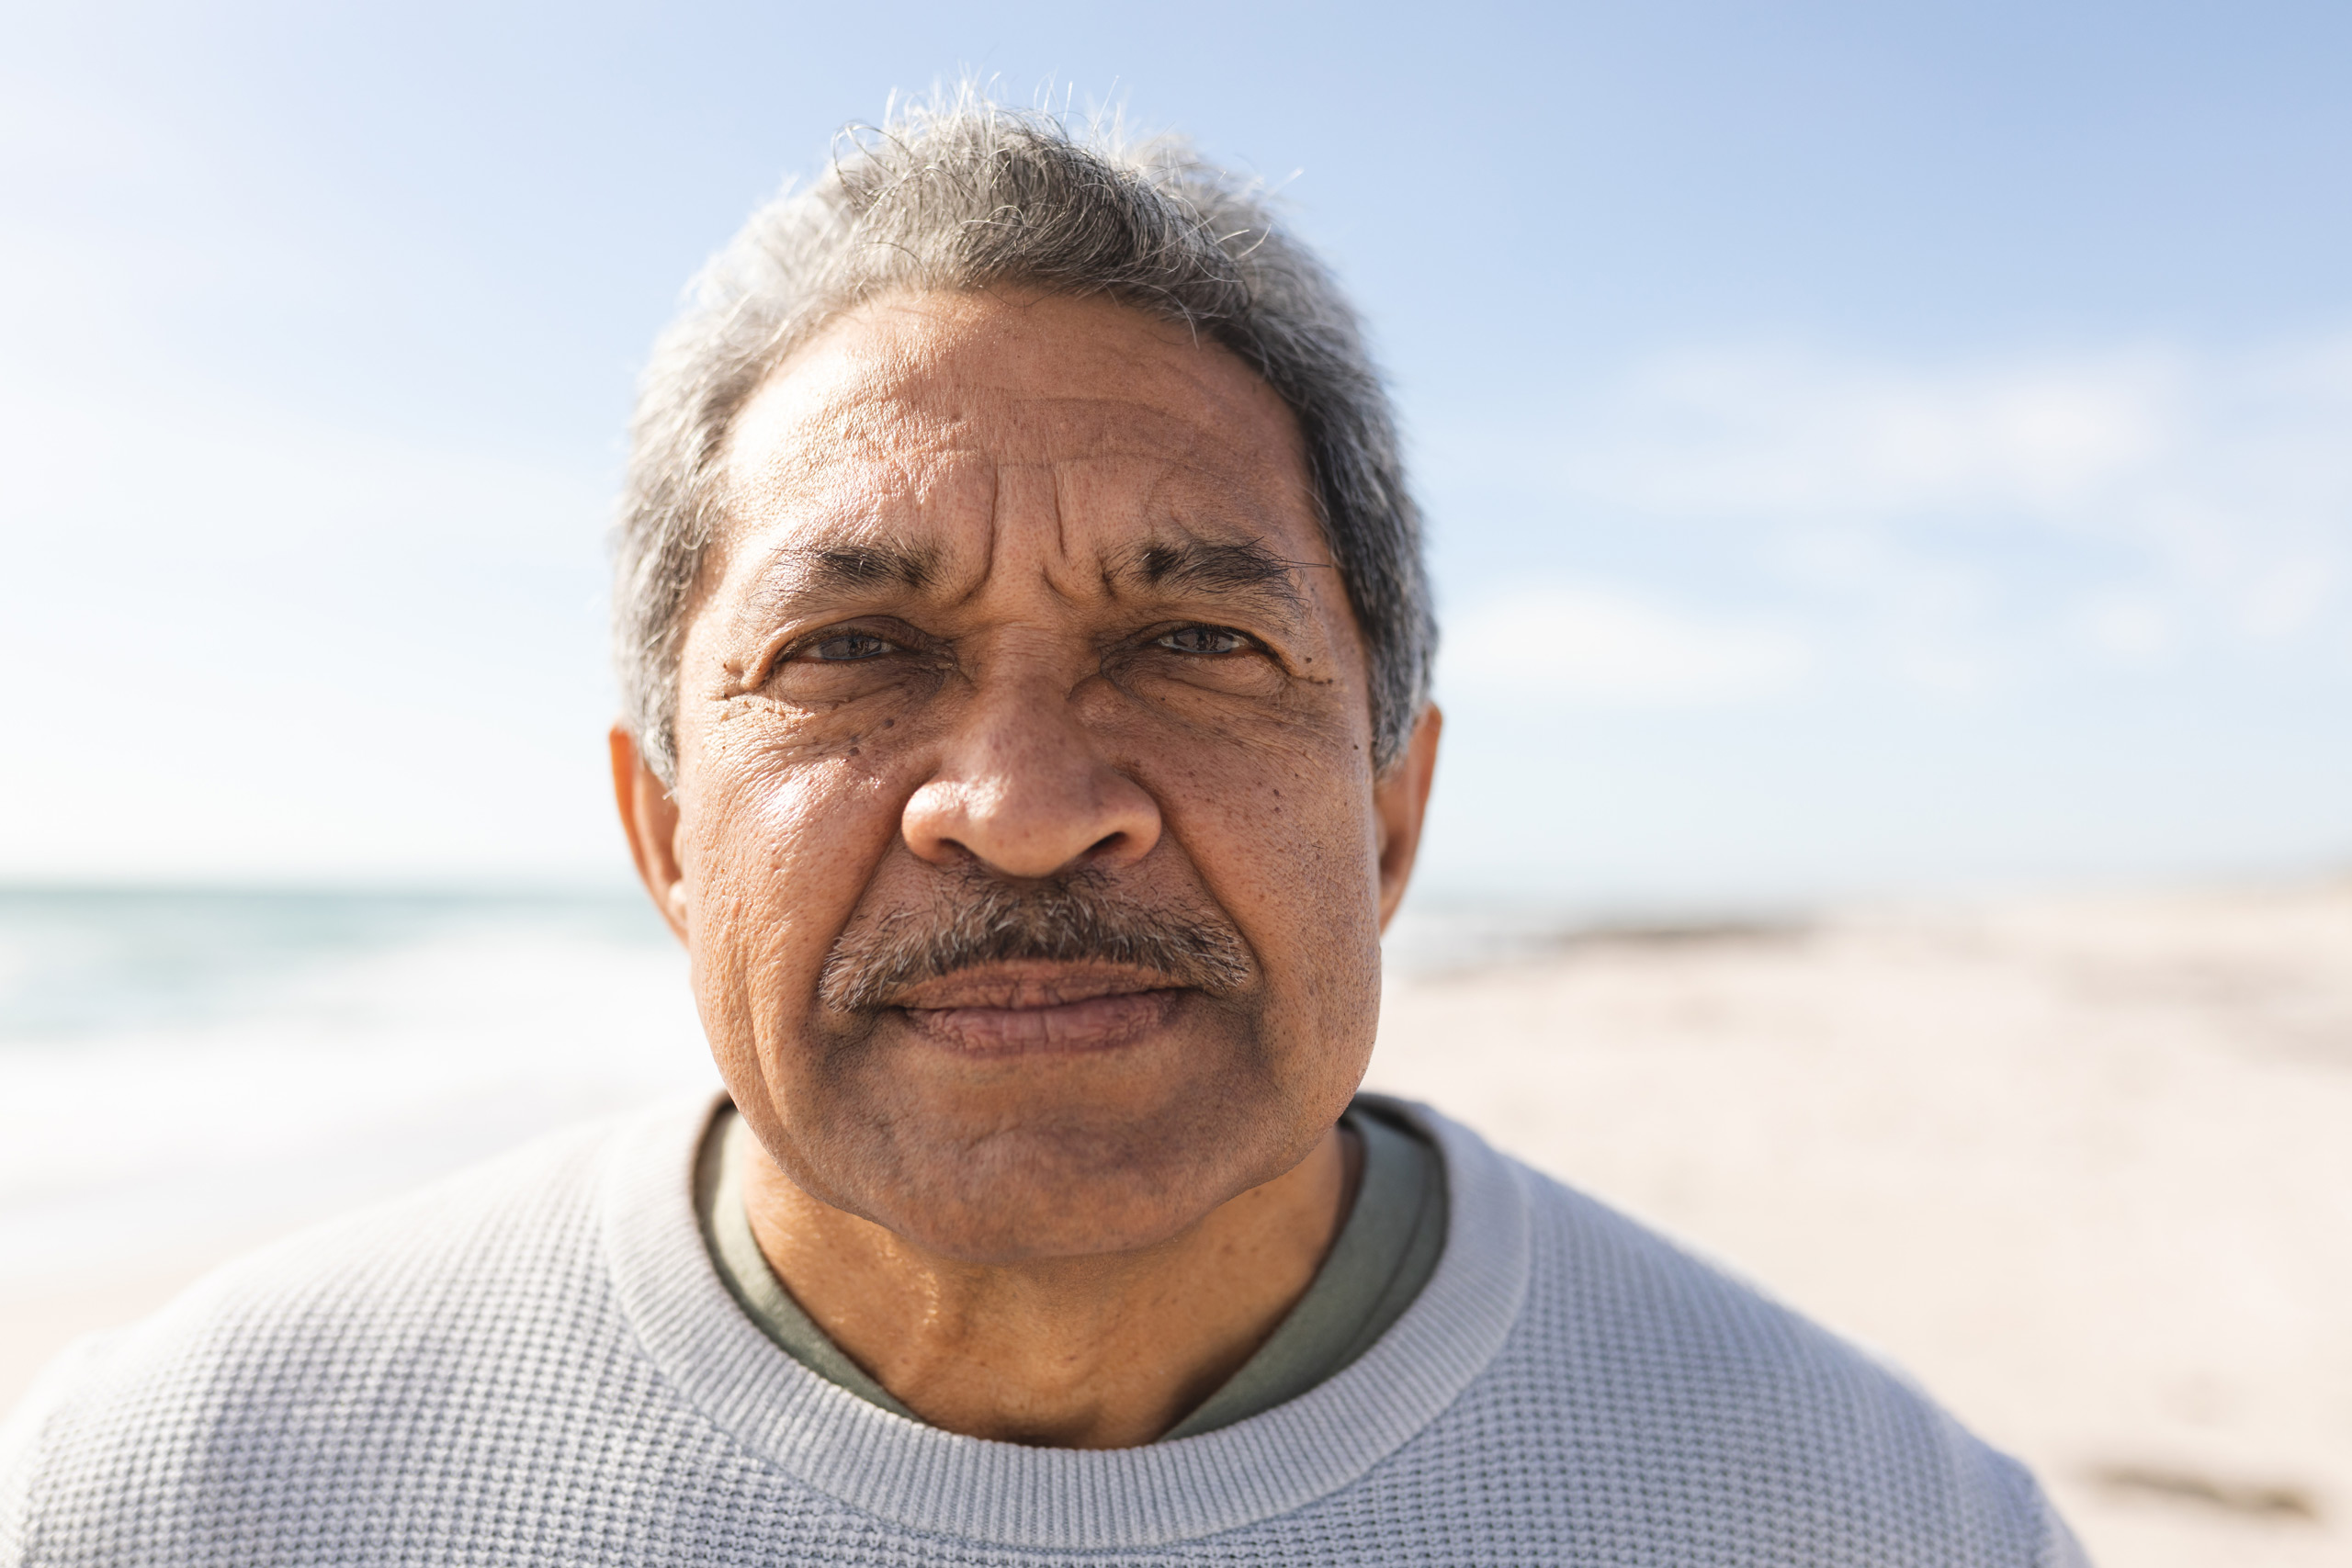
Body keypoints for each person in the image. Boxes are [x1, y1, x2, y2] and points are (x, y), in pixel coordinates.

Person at [0, 93, 2086, 1565]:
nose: (1019, 807)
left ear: (1388, 809)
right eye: (851, 651)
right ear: (661, 829)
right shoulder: (183, 1498)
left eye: (1187, 638)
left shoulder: (1869, 1523)